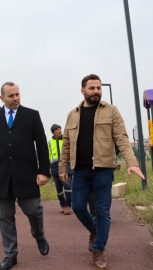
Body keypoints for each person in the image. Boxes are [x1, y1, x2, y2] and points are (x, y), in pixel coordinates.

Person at [59, 74, 144, 270]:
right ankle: (95, 230)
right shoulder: (73, 114)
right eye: (92, 88)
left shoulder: (111, 111)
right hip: (80, 171)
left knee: (103, 211)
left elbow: (122, 138)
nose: (96, 91)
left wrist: (132, 162)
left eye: (98, 88)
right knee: (78, 207)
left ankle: (98, 250)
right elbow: (66, 144)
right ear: (83, 91)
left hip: (103, 170)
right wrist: (63, 167)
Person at [0, 82, 50, 270]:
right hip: (2, 177)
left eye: (17, 94)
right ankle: (10, 254)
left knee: (33, 210)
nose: (15, 98)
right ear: (2, 98)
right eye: (11, 96)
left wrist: (43, 171)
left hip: (27, 175)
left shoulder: (32, 115)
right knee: (4, 217)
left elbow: (42, 144)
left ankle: (39, 235)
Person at [48, 124, 73, 215]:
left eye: (60, 129)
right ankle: (62, 204)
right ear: (53, 132)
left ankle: (68, 205)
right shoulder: (49, 143)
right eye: (57, 129)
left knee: (67, 186)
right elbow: (48, 156)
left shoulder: (66, 140)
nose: (59, 131)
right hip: (54, 168)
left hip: (66, 166)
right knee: (59, 189)